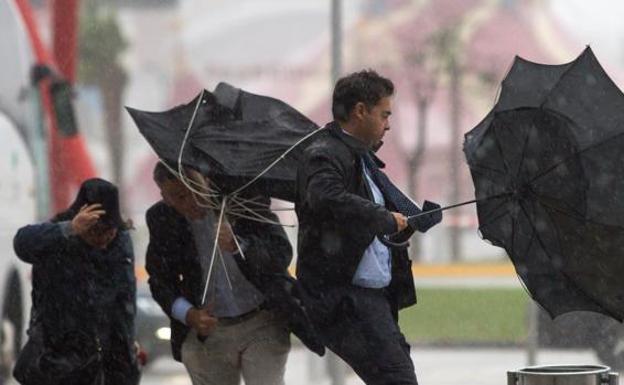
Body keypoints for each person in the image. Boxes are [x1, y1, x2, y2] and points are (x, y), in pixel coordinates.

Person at [295, 69, 443, 385]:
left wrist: (404, 224)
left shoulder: (360, 159)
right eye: (384, 114)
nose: (388, 124)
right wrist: (383, 217)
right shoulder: (324, 154)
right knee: (398, 379)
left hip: (372, 300)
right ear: (360, 111)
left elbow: (363, 225)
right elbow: (326, 198)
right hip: (346, 299)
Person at [145, 163, 296, 385]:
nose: (192, 200)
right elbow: (160, 279)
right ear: (165, 197)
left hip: (262, 319)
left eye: (195, 188)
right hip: (208, 331)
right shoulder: (163, 219)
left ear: (205, 179)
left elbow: (281, 252)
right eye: (179, 196)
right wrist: (187, 314)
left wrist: (240, 246)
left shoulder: (242, 200)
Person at [12, 178, 140, 385]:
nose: (104, 238)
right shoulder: (57, 237)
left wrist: (127, 346)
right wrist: (69, 229)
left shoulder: (121, 244)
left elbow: (125, 298)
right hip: (56, 355)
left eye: (110, 230)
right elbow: (22, 243)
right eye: (96, 231)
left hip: (106, 356)